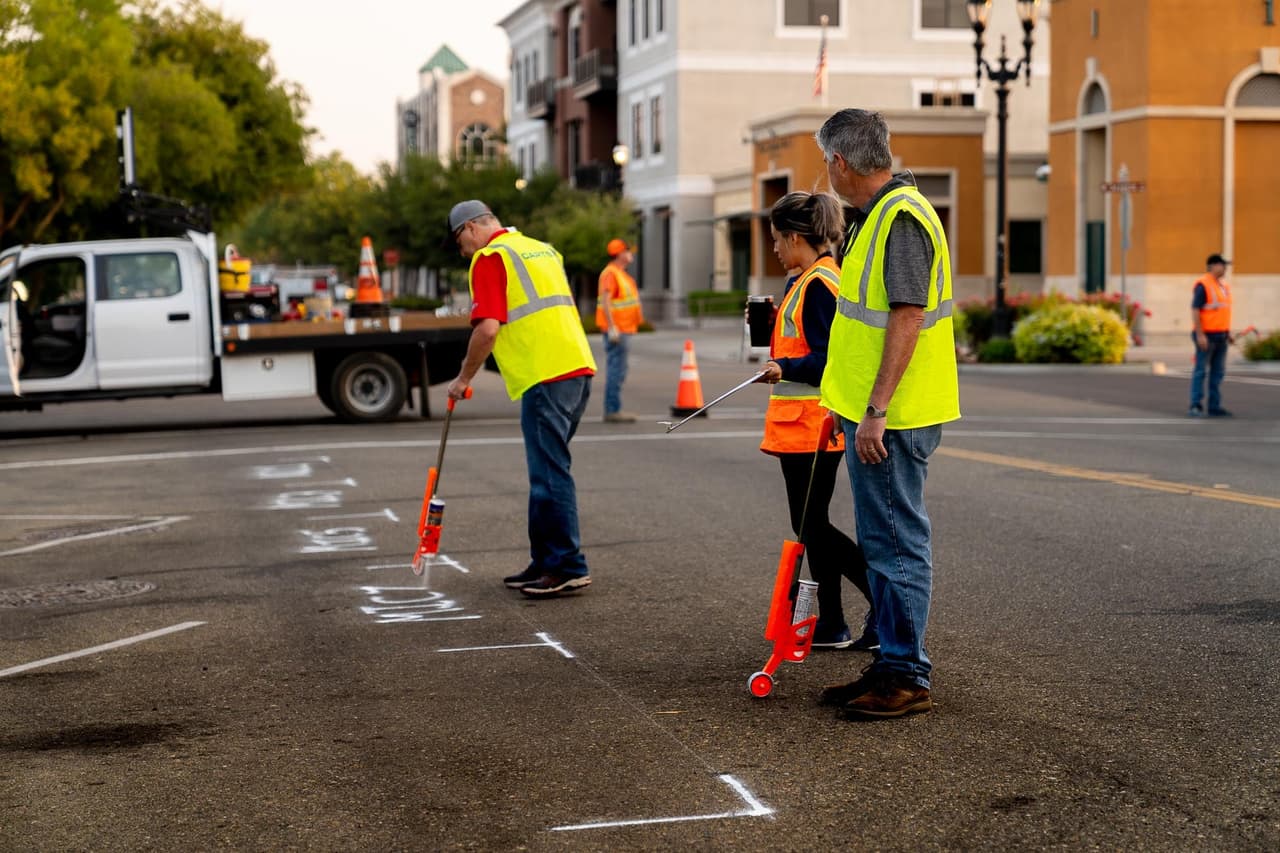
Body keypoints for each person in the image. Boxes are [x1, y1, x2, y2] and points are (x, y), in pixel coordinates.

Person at [814, 108, 960, 719]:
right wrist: (845, 407)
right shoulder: (878, 218)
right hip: (874, 412)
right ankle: (892, 664)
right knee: (883, 540)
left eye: (827, 162)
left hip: (894, 416)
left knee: (897, 542)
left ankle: (905, 675)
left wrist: (872, 411)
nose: (826, 173)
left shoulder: (899, 220)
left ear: (841, 162)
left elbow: (908, 315)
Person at [444, 200, 597, 597]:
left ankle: (567, 565)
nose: (463, 252)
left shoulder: (490, 257)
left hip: (545, 374)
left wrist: (463, 378)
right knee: (545, 471)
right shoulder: (542, 249)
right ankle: (545, 560)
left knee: (549, 473)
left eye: (459, 242)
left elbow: (488, 330)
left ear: (471, 229)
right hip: (576, 366)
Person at [756, 191, 876, 652]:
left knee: (812, 525)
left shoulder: (820, 283)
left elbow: (831, 358)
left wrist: (787, 369)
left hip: (813, 424)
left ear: (793, 236)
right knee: (811, 524)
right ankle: (832, 623)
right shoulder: (805, 280)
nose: (775, 250)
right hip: (798, 425)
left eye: (776, 240)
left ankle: (881, 607)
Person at [596, 238, 643, 423]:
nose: (631, 254)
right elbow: (606, 300)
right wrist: (612, 327)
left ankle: (614, 408)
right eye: (628, 251)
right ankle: (612, 410)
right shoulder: (611, 274)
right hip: (618, 330)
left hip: (624, 328)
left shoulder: (619, 274)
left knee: (619, 369)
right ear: (620, 254)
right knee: (617, 369)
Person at [1189, 253, 1233, 417]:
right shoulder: (1203, 285)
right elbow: (1195, 309)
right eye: (1222, 264)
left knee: (1217, 373)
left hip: (1221, 336)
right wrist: (1200, 335)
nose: (1225, 268)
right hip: (1206, 336)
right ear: (1212, 266)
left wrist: (1227, 333)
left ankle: (1214, 406)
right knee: (1200, 371)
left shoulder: (1223, 286)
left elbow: (1222, 312)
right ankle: (1195, 405)